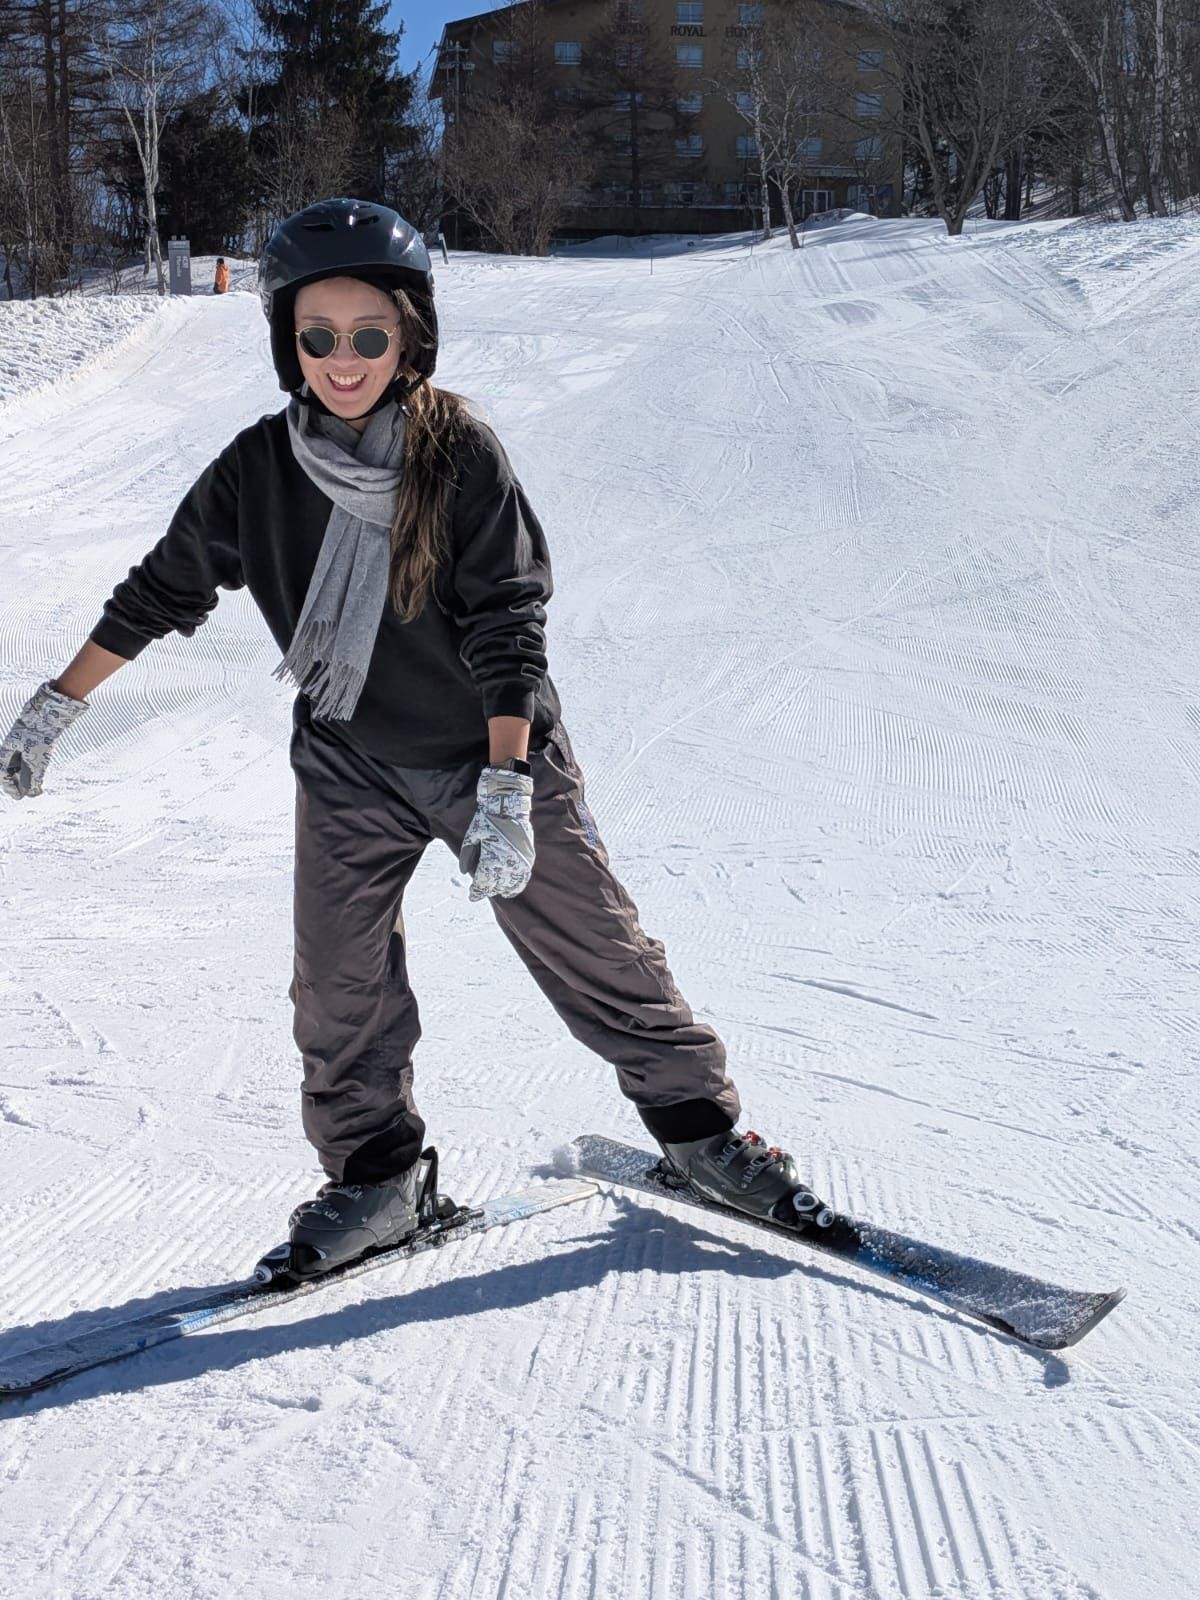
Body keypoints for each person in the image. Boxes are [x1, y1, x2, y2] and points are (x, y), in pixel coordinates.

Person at [0, 197, 826, 1277]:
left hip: (490, 750)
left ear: (411, 337)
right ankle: (378, 1177)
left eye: (369, 336)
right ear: (288, 342)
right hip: (347, 756)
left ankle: (701, 1135)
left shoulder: (458, 455)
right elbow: (161, 589)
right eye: (318, 337)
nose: (343, 361)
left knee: (595, 951)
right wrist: (57, 704)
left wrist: (507, 787)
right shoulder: (259, 468)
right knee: (338, 985)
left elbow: (507, 621)